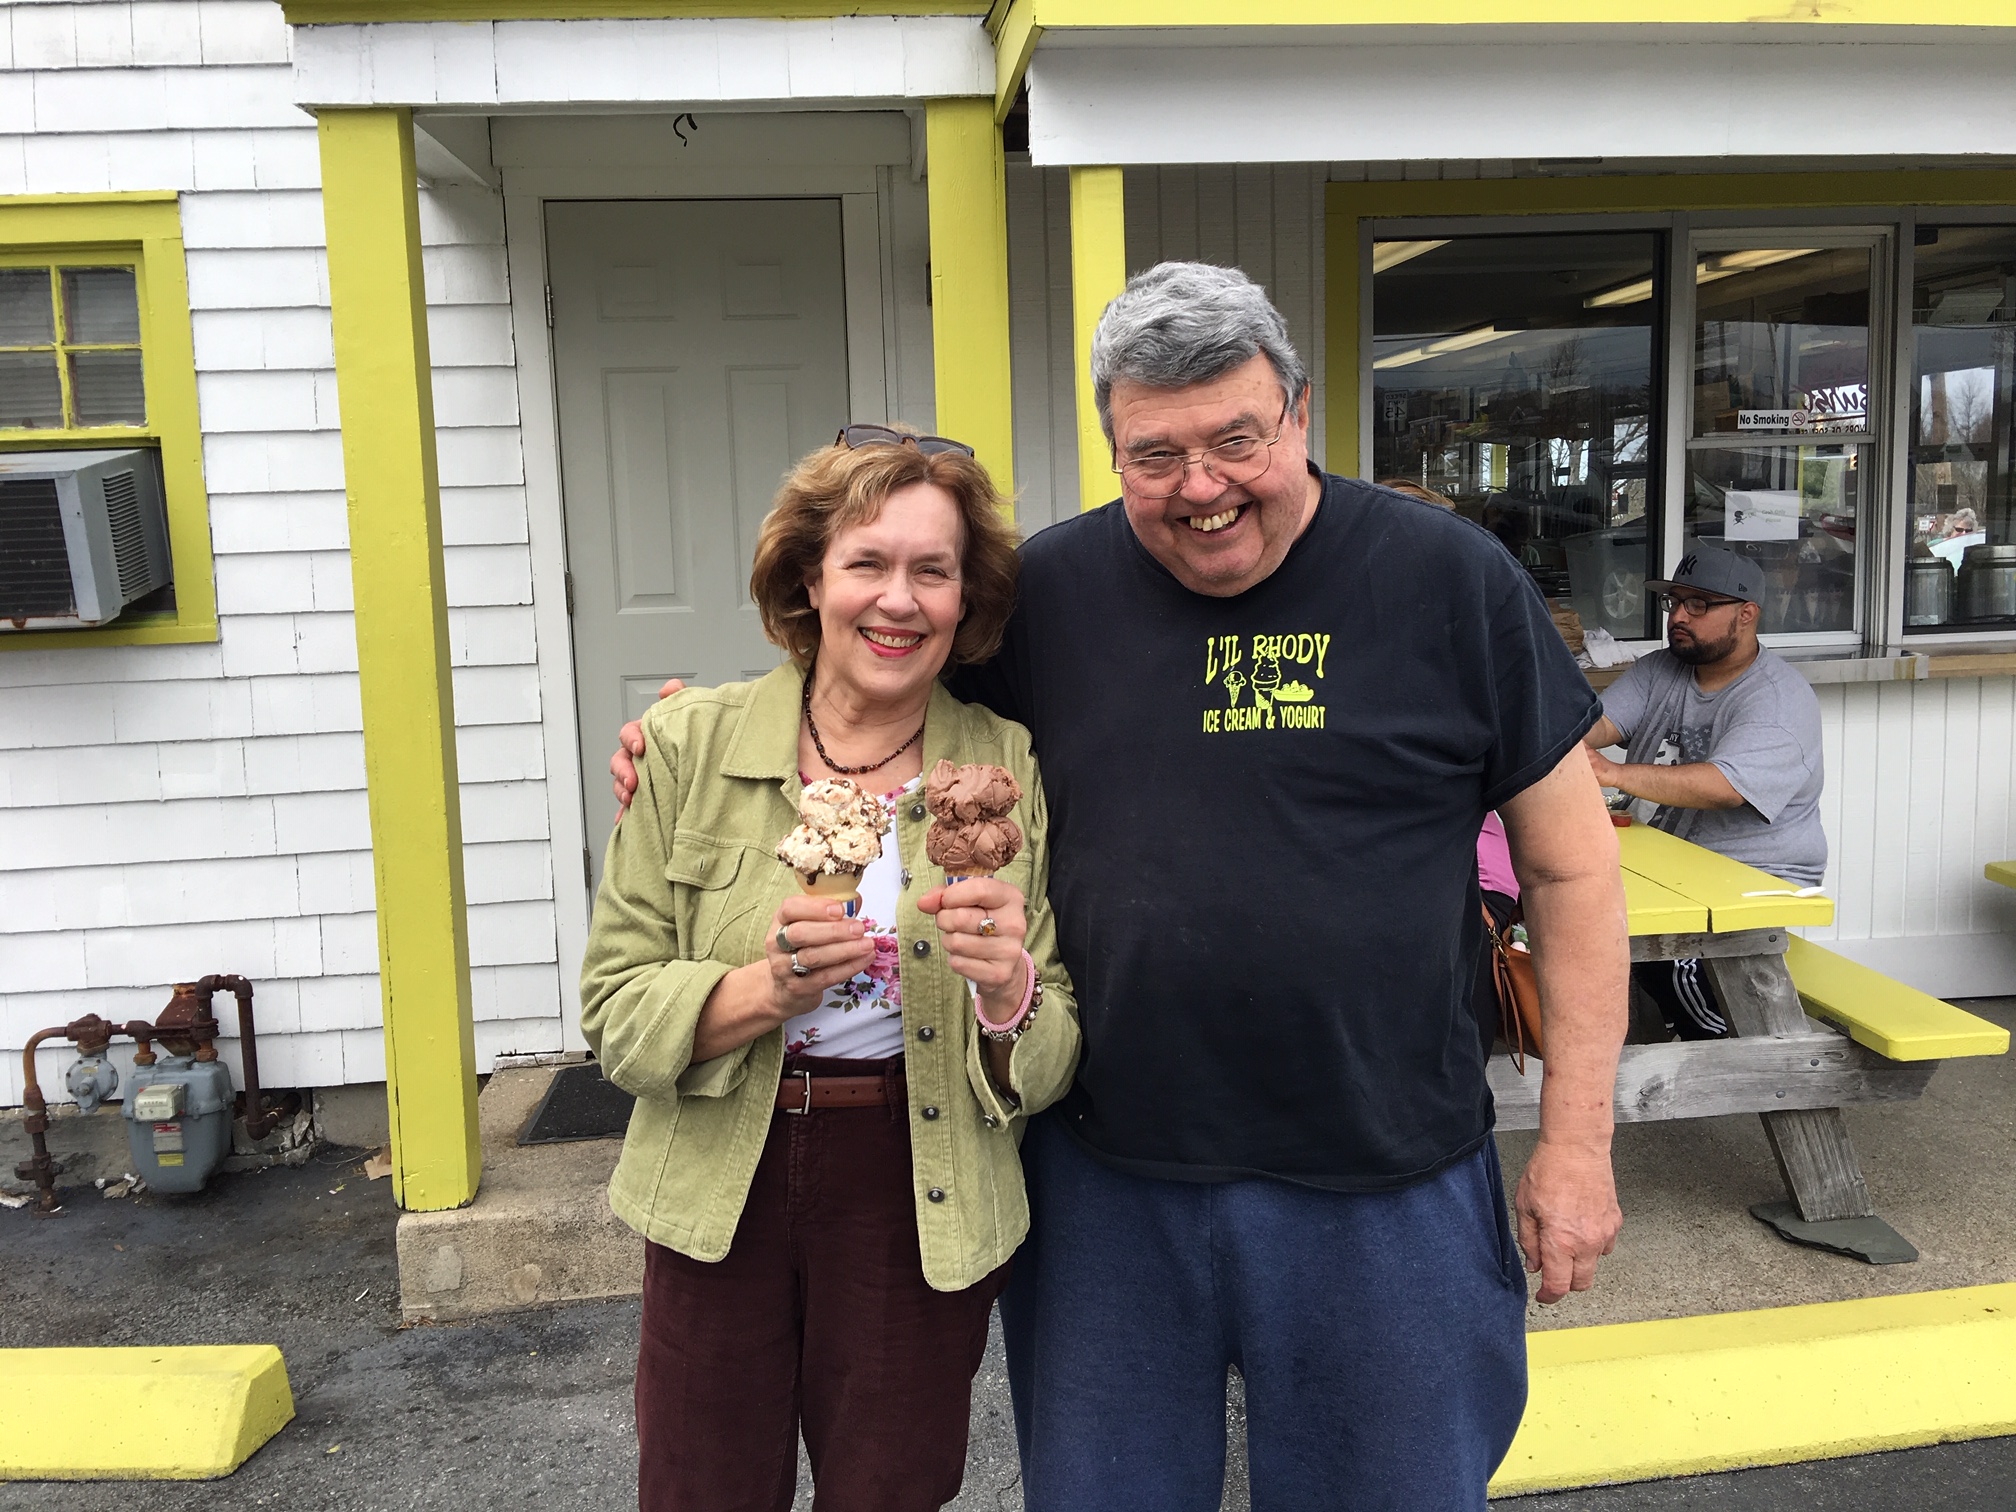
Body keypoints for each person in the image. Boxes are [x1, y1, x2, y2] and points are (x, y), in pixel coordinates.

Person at [615, 263, 1629, 1511]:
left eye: (1235, 441)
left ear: (1297, 414)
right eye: (1156, 455)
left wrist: (1577, 1145)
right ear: (1112, 443)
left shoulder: (1450, 580)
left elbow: (1574, 866)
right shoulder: (1047, 599)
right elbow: (877, 671)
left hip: (1388, 1178)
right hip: (1108, 1185)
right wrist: (694, 738)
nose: (1201, 488)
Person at [580, 430, 1081, 1512]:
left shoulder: (998, 766)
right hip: (726, 1167)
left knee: (891, 1491)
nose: (898, 600)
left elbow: (1048, 1053)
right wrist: (766, 990)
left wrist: (1009, 996)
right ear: (811, 578)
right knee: (700, 1489)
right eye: (867, 563)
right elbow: (615, 1011)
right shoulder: (688, 746)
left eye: (932, 571)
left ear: (965, 598)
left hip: (917, 1173)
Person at [1583, 542, 1826, 1040]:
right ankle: (1639, 1048)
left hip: (1754, 882)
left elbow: (1725, 786)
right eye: (1673, 601)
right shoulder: (1660, 668)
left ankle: (1760, 1057)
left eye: (1698, 604)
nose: (1679, 616)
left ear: (1746, 614)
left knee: (1676, 967)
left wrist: (1612, 774)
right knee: (1566, 919)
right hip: (1669, 870)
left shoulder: (1778, 697)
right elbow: (1594, 727)